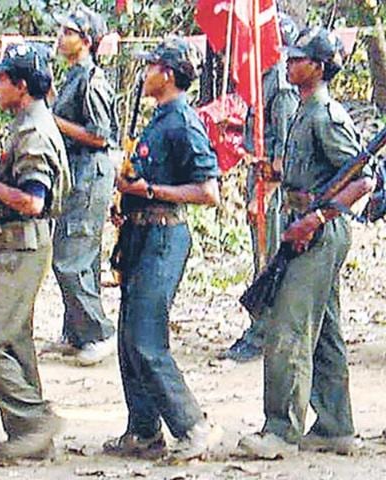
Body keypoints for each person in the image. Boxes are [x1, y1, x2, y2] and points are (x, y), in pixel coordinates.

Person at [238, 27, 374, 459]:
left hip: (317, 230)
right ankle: (335, 424)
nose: (289, 65)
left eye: (297, 59)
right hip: (300, 220)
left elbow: (362, 179)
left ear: (317, 66)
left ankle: (280, 429)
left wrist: (316, 217)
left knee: (289, 329)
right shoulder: (302, 110)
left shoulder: (325, 114)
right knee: (325, 331)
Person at [103, 36, 222, 461]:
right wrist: (131, 199)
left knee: (146, 336)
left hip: (164, 235)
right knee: (128, 338)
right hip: (140, 233)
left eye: (150, 66)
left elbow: (209, 191)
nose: (144, 73)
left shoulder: (183, 123)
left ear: (166, 74)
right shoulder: (159, 119)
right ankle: (143, 430)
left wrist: (151, 190)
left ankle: (190, 425)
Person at [0, 42, 70, 462]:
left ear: (21, 86)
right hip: (14, 245)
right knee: (13, 341)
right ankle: (32, 437)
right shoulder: (28, 122)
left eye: (1, 79)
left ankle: (35, 420)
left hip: (19, 248)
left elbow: (33, 201)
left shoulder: (33, 132)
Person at [219, 13, 300, 362]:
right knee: (262, 258)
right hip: (260, 177)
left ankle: (263, 333)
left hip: (273, 187)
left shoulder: (280, 86)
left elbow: (282, 151)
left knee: (268, 263)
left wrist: (262, 194)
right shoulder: (262, 80)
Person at [50, 5, 118, 366]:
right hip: (75, 171)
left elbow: (99, 135)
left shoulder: (92, 82)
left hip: (89, 172)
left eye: (69, 32)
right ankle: (76, 331)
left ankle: (98, 332)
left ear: (87, 41)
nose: (61, 38)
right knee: (78, 253)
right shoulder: (73, 77)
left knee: (71, 258)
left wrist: (54, 121)